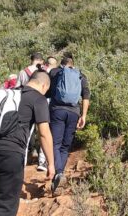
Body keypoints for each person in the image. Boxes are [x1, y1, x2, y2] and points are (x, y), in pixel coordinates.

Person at [0, 71, 55, 216]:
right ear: (44, 85)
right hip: (10, 154)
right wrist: (50, 164)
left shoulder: (12, 93)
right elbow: (44, 133)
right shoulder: (38, 99)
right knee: (6, 205)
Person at [47, 52, 90, 192]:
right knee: (65, 146)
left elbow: (46, 92)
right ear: (73, 64)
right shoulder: (80, 76)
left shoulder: (54, 72)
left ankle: (58, 173)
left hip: (57, 111)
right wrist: (83, 115)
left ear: (62, 63)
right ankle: (60, 174)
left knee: (55, 143)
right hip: (74, 113)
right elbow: (86, 96)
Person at [35, 56, 59, 172]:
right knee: (48, 131)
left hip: (41, 101)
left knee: (41, 130)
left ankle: (41, 160)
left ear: (46, 63)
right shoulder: (59, 73)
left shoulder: (41, 72)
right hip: (54, 105)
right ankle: (50, 160)